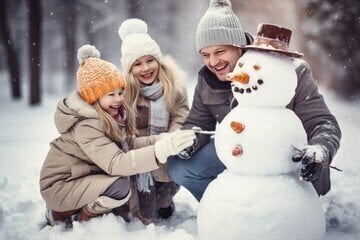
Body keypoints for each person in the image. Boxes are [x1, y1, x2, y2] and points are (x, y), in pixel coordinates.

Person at [167, 0, 341, 201]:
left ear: (239, 45)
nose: (213, 62)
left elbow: (324, 123)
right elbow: (198, 123)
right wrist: (191, 140)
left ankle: (290, 210)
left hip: (288, 158)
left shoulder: (288, 71)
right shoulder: (207, 79)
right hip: (241, 152)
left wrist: (319, 151)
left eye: (220, 51)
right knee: (180, 167)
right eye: (206, 54)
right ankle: (227, 206)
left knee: (284, 207)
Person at [39, 44, 195, 227]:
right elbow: (116, 163)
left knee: (121, 185)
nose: (119, 99)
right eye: (111, 94)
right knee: (120, 186)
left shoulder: (111, 115)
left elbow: (128, 142)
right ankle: (69, 216)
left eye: (120, 92)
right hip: (61, 185)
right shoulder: (87, 124)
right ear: (93, 99)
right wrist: (159, 151)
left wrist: (161, 140)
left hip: (85, 176)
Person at [118, 18, 190, 224]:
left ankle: (166, 198)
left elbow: (180, 116)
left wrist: (172, 138)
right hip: (139, 153)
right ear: (129, 69)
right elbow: (124, 132)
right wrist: (153, 145)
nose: (145, 68)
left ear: (158, 60)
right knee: (146, 214)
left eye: (150, 60)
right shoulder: (123, 93)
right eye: (137, 64)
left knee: (164, 201)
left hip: (168, 150)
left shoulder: (174, 85)